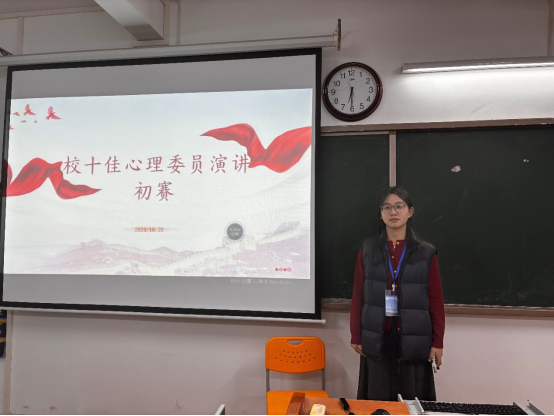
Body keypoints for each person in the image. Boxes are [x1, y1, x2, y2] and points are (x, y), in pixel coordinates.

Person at [350, 186, 445, 401]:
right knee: (377, 402)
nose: (393, 212)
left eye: (399, 206)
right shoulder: (367, 250)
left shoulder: (426, 252)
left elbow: (435, 300)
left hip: (414, 337)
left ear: (410, 211)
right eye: (387, 207)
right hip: (377, 336)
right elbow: (358, 295)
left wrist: (437, 341)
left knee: (412, 402)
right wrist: (356, 334)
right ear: (381, 214)